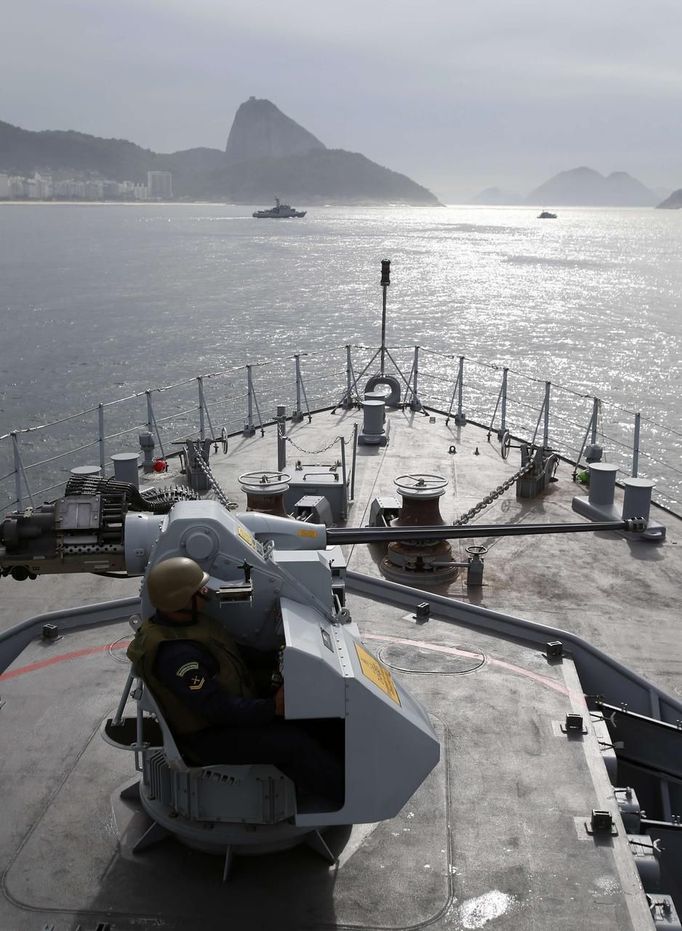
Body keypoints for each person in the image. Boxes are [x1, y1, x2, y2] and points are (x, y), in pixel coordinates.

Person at [127, 556, 343, 807]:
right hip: (208, 737)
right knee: (293, 744)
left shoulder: (191, 624)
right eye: (199, 590)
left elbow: (237, 654)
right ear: (181, 600)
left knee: (319, 717)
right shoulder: (178, 656)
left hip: (226, 715)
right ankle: (345, 794)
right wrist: (273, 708)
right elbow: (217, 709)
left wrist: (285, 662)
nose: (206, 592)